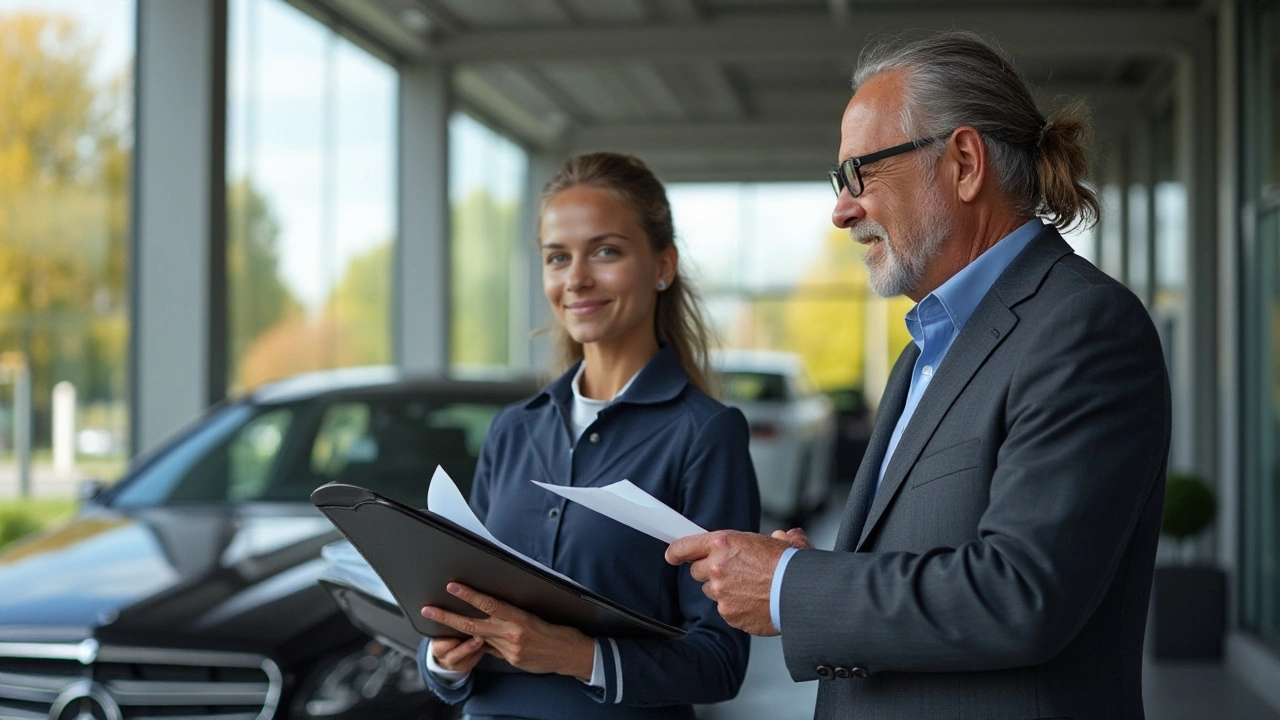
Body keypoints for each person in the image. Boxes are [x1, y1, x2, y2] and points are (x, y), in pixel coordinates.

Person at [666, 31, 1171, 720]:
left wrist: (792, 586)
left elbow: (1021, 593)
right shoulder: (923, 351)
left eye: (859, 174)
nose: (841, 210)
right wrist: (825, 573)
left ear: (964, 162)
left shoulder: (1083, 327)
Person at [416, 152, 760, 720]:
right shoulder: (513, 429)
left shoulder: (705, 435)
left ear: (662, 265)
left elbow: (721, 661)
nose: (575, 279)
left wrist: (577, 656)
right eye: (557, 257)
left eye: (605, 251)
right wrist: (442, 660)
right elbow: (451, 616)